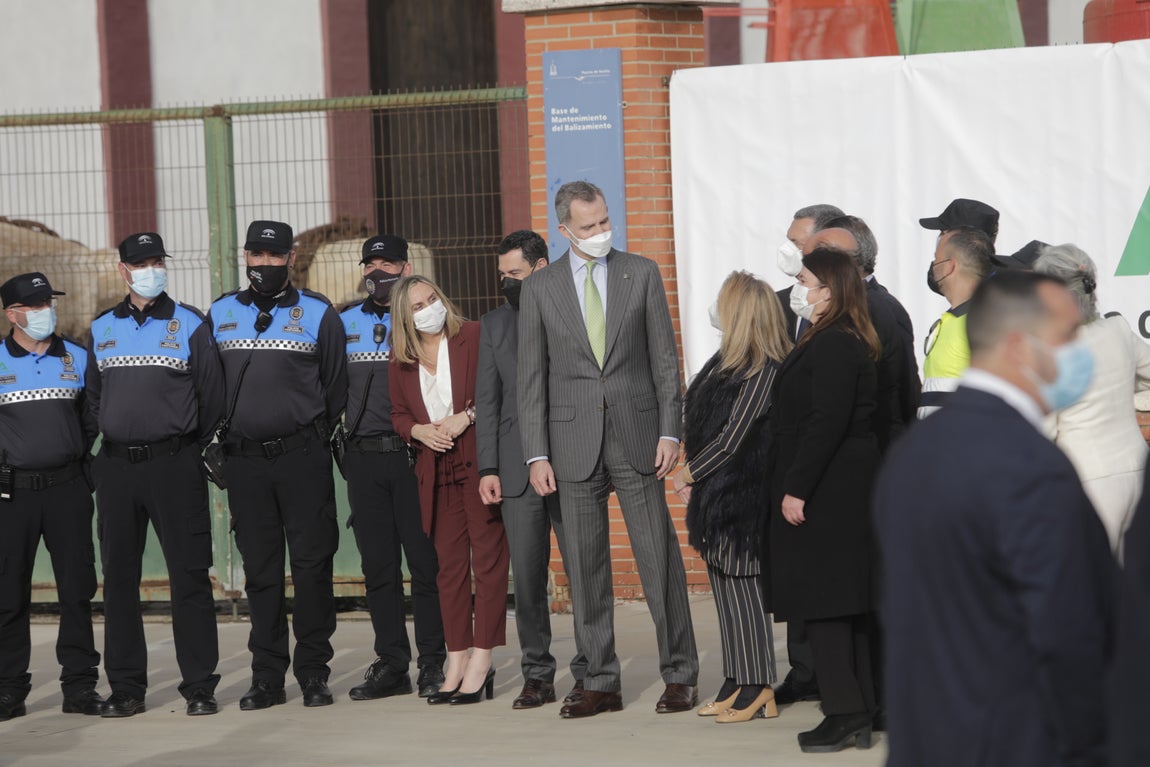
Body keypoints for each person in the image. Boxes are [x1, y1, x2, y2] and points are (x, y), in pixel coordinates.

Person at [875, 270, 1115, 767]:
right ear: (1020, 347)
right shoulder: (1029, 466)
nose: (1082, 350)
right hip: (1015, 741)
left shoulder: (912, 453)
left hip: (927, 736)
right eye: (1069, 336)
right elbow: (1068, 633)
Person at [518, 180, 699, 719]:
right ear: (565, 229)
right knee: (586, 568)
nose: (601, 233)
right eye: (589, 226)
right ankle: (599, 680)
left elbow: (666, 362)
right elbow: (531, 378)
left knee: (658, 560)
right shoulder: (540, 288)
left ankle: (681, 674)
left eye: (604, 222)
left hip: (640, 439)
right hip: (570, 444)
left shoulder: (639, 272)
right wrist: (536, 454)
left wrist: (672, 431)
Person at [208, 219, 347, 710]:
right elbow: (211, 385)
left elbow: (335, 386)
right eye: (257, 256)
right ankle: (267, 676)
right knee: (261, 572)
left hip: (302, 458)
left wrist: (304, 430)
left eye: (275, 256)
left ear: (291, 259)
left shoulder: (317, 313)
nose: (265, 264)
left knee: (312, 567)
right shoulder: (221, 312)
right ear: (246, 257)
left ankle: (313, 671)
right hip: (245, 463)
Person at [87, 233, 223, 717]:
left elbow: (211, 397)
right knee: (119, 580)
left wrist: (182, 443)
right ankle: (126, 688)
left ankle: (200, 686)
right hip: (118, 467)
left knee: (189, 576)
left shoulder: (191, 323)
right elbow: (95, 400)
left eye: (156, 260)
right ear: (123, 270)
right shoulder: (101, 328)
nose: (150, 269)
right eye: (140, 262)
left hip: (174, 464)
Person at [768, 247, 881, 753]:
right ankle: (858, 707)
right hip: (838, 487)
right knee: (843, 602)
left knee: (828, 603)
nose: (801, 289)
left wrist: (797, 487)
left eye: (807, 281)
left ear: (830, 291)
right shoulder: (835, 337)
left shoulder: (835, 343)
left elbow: (825, 422)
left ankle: (844, 711)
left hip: (829, 491)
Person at [672, 271, 789, 723]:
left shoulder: (764, 370)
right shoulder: (725, 362)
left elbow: (732, 438)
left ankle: (758, 684)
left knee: (744, 593)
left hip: (743, 499)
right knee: (724, 591)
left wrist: (689, 473)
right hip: (716, 498)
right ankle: (738, 677)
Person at [476, 230, 586, 709]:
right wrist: (488, 467)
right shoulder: (495, 325)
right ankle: (537, 675)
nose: (506, 282)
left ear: (541, 269)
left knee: (584, 573)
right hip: (517, 472)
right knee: (529, 576)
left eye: (514, 274)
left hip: (572, 462)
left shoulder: (575, 315)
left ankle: (590, 671)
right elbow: (488, 400)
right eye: (502, 275)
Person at [388, 275, 509, 706]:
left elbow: (498, 392)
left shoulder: (474, 335)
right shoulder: (401, 360)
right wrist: (418, 430)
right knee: (449, 570)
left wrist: (466, 416)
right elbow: (399, 414)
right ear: (405, 317)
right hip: (433, 471)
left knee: (489, 564)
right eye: (418, 305)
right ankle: (455, 660)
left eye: (432, 298)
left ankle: (481, 660)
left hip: (478, 462)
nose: (428, 309)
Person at [339, 235, 446, 700]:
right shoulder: (341, 322)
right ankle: (392, 663)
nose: (378, 271)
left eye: (388, 262)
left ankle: (435, 662)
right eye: (371, 263)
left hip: (415, 455)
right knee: (378, 568)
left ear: (406, 267)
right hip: (363, 458)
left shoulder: (424, 323)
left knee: (425, 564)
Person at [0, 273, 104, 722]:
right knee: (8, 594)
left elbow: (90, 419)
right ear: (12, 314)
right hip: (12, 494)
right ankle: (9, 689)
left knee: (77, 590)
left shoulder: (77, 357)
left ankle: (79, 686)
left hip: (68, 489)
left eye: (48, 302)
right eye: (35, 304)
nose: (46, 310)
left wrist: (80, 468)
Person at [1033, 244, 1150, 555]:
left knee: (1092, 594)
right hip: (1139, 472)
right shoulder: (1119, 330)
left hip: (1087, 485)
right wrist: (1135, 402)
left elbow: (1042, 435)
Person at [918, 226, 994, 418]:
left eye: (936, 258)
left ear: (950, 266)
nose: (933, 264)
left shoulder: (982, 324)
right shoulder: (954, 320)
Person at [776, 203, 844, 341]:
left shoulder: (863, 308)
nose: (787, 250)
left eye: (796, 242)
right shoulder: (777, 304)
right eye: (789, 241)